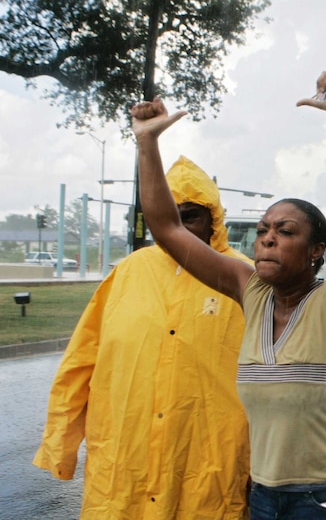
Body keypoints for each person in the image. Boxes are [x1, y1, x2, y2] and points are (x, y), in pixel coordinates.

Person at [131, 71, 326, 520]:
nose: (267, 238)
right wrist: (147, 144)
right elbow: (168, 229)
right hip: (265, 495)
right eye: (264, 230)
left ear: (315, 252)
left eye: (285, 232)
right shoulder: (250, 290)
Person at [33, 156, 252, 519]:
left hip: (207, 460)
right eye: (171, 215)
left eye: (191, 216)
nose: (179, 228)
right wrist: (61, 442)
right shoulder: (129, 273)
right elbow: (80, 361)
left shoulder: (242, 278)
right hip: (125, 460)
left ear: (213, 218)